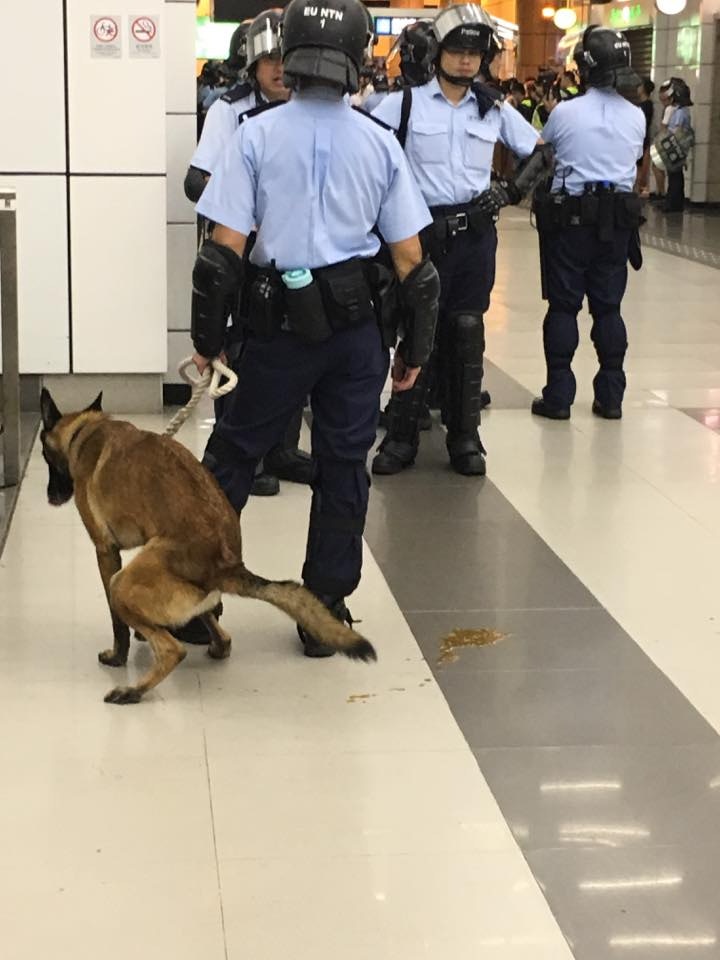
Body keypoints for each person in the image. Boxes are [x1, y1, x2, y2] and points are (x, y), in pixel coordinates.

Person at [190, 0, 438, 656]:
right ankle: (324, 608)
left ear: (288, 53)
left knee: (234, 456)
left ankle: (191, 589)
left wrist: (207, 342)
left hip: (273, 335)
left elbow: (222, 255)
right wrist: (414, 351)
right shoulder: (379, 142)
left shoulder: (255, 136)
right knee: (342, 465)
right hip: (358, 338)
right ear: (357, 58)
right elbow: (416, 266)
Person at [370, 3, 543, 478]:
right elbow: (366, 157)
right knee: (415, 329)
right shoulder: (402, 103)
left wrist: (508, 191)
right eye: (457, 50)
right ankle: (402, 435)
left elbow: (540, 154)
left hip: (474, 236)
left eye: (475, 52)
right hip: (418, 234)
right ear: (439, 53)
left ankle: (465, 436)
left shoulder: (493, 107)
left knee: (466, 330)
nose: (466, 60)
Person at [185, 11, 314, 498]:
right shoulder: (229, 110)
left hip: (292, 251)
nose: (279, 69)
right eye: (269, 60)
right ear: (252, 64)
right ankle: (241, 450)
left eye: (286, 59)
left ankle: (281, 447)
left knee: (292, 344)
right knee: (238, 350)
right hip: (242, 251)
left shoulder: (310, 110)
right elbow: (197, 180)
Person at [517, 26, 645, 421]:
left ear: (585, 66)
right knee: (609, 310)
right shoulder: (637, 115)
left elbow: (545, 151)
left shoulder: (565, 113)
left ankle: (558, 396)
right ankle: (611, 397)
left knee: (563, 307)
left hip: (570, 222)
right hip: (617, 224)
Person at [658, 77, 693, 213]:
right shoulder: (681, 111)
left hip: (675, 145)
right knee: (675, 175)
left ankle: (673, 204)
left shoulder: (678, 112)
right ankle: (674, 202)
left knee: (675, 176)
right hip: (677, 146)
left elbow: (675, 130)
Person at [635, 77, 654, 197]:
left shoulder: (646, 106)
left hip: (641, 138)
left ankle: (641, 188)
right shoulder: (644, 105)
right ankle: (639, 188)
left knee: (641, 166)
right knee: (638, 165)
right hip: (640, 138)